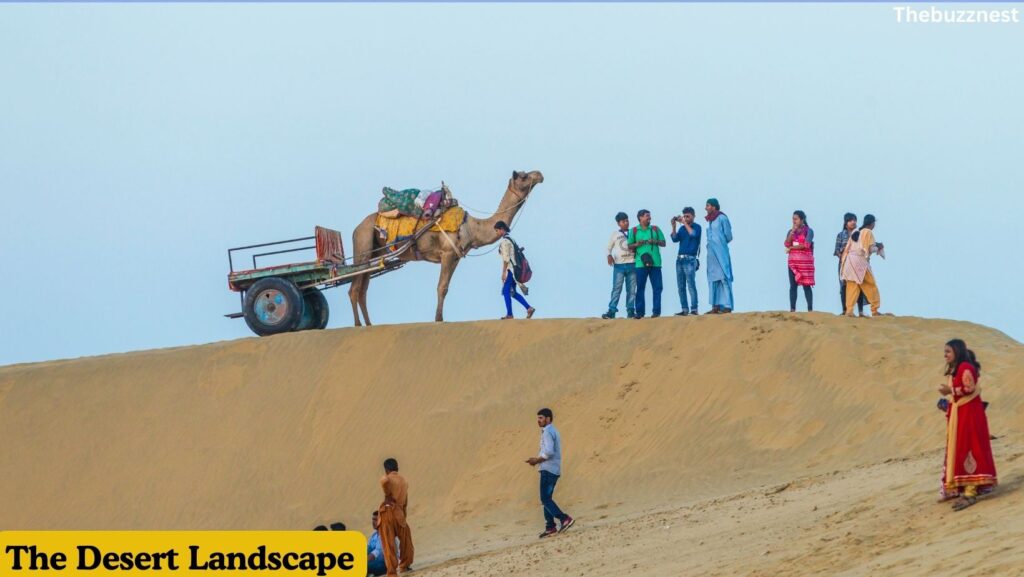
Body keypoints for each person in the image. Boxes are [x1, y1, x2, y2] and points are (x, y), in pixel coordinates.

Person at [937, 339, 997, 510]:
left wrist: (950, 391)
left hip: (969, 414)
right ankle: (963, 487)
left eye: (948, 351)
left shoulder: (965, 367)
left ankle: (971, 491)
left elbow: (968, 388)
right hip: (962, 412)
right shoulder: (957, 369)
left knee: (970, 446)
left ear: (957, 351)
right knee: (961, 447)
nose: (945, 355)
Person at [525, 408, 575, 538]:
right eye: (538, 418)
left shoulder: (548, 431)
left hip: (548, 469)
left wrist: (536, 460)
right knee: (547, 499)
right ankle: (550, 527)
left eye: (541, 418)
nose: (538, 420)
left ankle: (564, 519)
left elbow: (549, 452)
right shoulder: (553, 430)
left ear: (548, 418)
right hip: (552, 469)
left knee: (545, 499)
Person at [840, 214, 886, 316]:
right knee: (870, 284)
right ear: (872, 223)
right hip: (860, 261)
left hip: (849, 262)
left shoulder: (856, 231)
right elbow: (869, 249)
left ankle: (849, 311)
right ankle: (874, 309)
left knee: (852, 286)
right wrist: (878, 247)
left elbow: (848, 248)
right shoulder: (868, 232)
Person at [377, 458, 414, 576]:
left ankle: (392, 572)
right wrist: (403, 515)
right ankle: (405, 565)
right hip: (399, 513)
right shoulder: (404, 481)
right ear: (397, 467)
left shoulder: (387, 478)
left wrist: (387, 494)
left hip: (387, 512)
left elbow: (384, 481)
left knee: (388, 543)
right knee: (406, 540)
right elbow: (405, 502)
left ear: (386, 469)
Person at [626, 209, 666, 319]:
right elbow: (629, 246)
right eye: (647, 216)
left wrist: (655, 241)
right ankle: (639, 313)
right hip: (640, 264)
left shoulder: (655, 229)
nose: (649, 218)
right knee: (640, 288)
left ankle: (656, 312)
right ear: (640, 218)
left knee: (657, 288)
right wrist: (637, 244)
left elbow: (664, 243)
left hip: (656, 263)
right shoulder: (634, 231)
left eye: (649, 216)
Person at [495, 221, 535, 320]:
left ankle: (509, 314)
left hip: (511, 271)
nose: (497, 233)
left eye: (497, 230)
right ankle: (529, 308)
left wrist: (503, 273)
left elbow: (506, 259)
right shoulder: (510, 238)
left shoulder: (505, 241)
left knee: (505, 291)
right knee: (512, 293)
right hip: (516, 270)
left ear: (501, 229)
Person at [602, 212, 636, 319]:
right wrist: (609, 256)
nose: (626, 223)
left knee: (631, 289)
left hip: (632, 264)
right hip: (619, 266)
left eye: (627, 220)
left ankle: (630, 310)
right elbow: (608, 248)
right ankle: (612, 310)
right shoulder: (615, 234)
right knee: (617, 288)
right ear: (618, 223)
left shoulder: (633, 232)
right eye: (623, 221)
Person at [704, 198, 734, 313]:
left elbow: (728, 236)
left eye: (707, 206)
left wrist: (719, 243)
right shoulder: (710, 220)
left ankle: (727, 305)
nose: (706, 208)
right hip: (711, 255)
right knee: (713, 279)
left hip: (721, 253)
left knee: (724, 278)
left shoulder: (722, 218)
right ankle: (715, 306)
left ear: (714, 207)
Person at [670, 207, 701, 316]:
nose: (686, 218)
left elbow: (693, 234)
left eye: (688, 216)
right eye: (684, 216)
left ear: (693, 216)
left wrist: (684, 223)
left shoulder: (697, 227)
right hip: (680, 259)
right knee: (681, 286)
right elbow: (674, 239)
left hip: (690, 259)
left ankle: (694, 309)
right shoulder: (682, 229)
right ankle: (684, 309)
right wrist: (673, 226)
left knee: (691, 284)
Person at [835, 213, 867, 316]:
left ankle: (861, 311)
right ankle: (845, 310)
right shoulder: (841, 235)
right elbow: (836, 251)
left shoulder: (860, 234)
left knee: (859, 285)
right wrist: (843, 257)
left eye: (854, 220)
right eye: (850, 220)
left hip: (858, 264)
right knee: (844, 286)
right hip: (844, 264)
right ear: (846, 222)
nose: (853, 222)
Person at [784, 210, 815, 312]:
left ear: (802, 220)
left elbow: (806, 245)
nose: (794, 221)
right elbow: (786, 244)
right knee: (793, 286)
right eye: (793, 219)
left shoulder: (809, 231)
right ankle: (792, 309)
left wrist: (792, 248)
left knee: (807, 285)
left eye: (796, 219)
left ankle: (810, 309)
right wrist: (792, 232)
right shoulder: (790, 232)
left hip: (805, 264)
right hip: (793, 264)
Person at [366, 511, 395, 577]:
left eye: (376, 520)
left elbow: (377, 552)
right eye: (373, 519)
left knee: (363, 567)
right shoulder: (374, 535)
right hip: (376, 563)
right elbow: (368, 549)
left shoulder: (385, 534)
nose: (373, 522)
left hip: (385, 565)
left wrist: (362, 562)